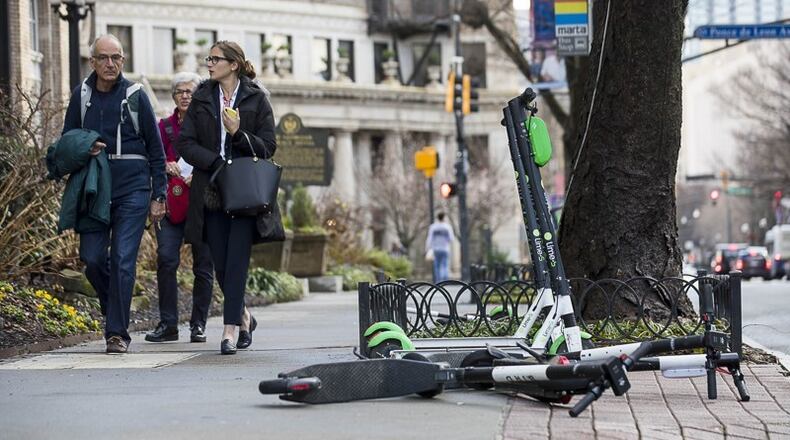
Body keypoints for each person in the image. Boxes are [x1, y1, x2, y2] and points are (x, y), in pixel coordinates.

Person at [61, 34, 167, 354]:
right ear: (91, 62)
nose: (111, 64)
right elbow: (67, 141)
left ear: (123, 60)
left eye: (117, 57)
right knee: (92, 259)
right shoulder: (81, 95)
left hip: (133, 188)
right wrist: (85, 146)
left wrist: (158, 194)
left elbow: (156, 150)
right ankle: (115, 310)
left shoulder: (135, 95)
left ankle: (116, 333)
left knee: (122, 259)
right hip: (95, 188)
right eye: (104, 58)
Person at [176, 41, 277, 355]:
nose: (209, 63)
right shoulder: (203, 97)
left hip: (245, 189)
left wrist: (238, 134)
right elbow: (185, 143)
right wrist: (215, 162)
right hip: (211, 189)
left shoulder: (257, 98)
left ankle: (230, 329)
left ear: (233, 64)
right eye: (208, 58)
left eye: (215, 59)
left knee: (237, 261)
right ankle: (244, 315)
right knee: (219, 261)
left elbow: (268, 146)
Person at [145, 72, 215, 344]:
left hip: (202, 206)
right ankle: (168, 324)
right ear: (173, 97)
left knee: (203, 267)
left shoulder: (208, 126)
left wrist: (199, 171)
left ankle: (198, 325)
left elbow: (217, 157)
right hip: (170, 206)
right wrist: (164, 165)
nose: (185, 96)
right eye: (180, 92)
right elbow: (153, 157)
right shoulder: (163, 127)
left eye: (190, 91)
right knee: (166, 260)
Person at [425, 212, 455, 282]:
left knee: (437, 266)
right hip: (445, 248)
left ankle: (438, 281)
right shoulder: (447, 227)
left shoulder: (433, 227)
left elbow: (429, 238)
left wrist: (427, 248)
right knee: (445, 265)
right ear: (444, 217)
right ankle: (444, 280)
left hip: (436, 249)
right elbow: (451, 238)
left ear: (437, 218)